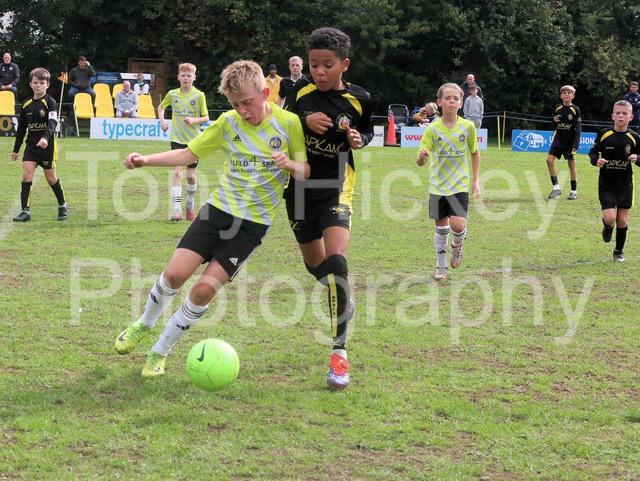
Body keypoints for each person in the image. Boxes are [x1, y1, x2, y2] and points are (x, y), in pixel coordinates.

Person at [114, 60, 308, 378]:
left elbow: (307, 170)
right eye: (234, 104)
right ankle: (144, 324)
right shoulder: (228, 123)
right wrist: (146, 159)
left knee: (203, 291)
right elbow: (189, 153)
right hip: (217, 211)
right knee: (174, 275)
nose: (241, 110)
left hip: (251, 226)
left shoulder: (289, 124)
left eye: (247, 102)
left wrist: (290, 165)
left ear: (265, 93)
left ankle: (159, 352)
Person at [284, 27, 375, 389]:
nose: (319, 72)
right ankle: (343, 293)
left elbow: (367, 131)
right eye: (314, 65)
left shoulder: (360, 99)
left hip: (337, 186)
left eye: (327, 65)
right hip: (299, 190)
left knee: (337, 262)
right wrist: (302, 121)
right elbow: (281, 126)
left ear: (344, 65)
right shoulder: (299, 92)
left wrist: (359, 138)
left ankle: (339, 353)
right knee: (316, 266)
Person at [416, 82, 481, 280]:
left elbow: (475, 153)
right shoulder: (432, 129)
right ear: (439, 102)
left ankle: (457, 247)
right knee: (441, 228)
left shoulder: (468, 127)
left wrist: (475, 181)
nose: (452, 101)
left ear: (461, 103)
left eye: (456, 98)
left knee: (458, 226)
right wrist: (422, 157)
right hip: (438, 185)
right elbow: (420, 161)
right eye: (447, 98)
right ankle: (441, 267)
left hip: (459, 184)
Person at [11, 68, 68, 222]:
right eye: (35, 82)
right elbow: (21, 129)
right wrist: (16, 149)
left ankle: (62, 205)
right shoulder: (26, 105)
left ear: (47, 85)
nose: (38, 85)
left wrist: (45, 138)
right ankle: (25, 211)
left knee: (51, 178)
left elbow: (52, 122)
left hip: (47, 147)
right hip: (31, 147)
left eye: (42, 83)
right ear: (30, 84)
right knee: (26, 175)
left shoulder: (50, 102)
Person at [589, 100, 640, 262]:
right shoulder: (604, 134)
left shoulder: (635, 137)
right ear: (613, 116)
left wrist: (637, 158)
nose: (621, 116)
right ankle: (607, 226)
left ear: (631, 117)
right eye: (618, 113)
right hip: (607, 184)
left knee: (622, 220)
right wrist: (596, 160)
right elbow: (593, 152)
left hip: (625, 184)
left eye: (625, 113)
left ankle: (618, 251)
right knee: (611, 218)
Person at [158, 63, 209, 221]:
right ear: (178, 77)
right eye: (183, 75)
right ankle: (176, 211)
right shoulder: (172, 94)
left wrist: (194, 120)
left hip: (194, 142)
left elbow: (206, 117)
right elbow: (161, 107)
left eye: (189, 75)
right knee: (177, 172)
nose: (186, 78)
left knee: (191, 177)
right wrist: (162, 121)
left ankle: (190, 205)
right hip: (177, 139)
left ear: (194, 77)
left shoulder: (199, 95)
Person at [546, 85, 581, 200]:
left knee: (571, 164)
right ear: (561, 96)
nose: (566, 94)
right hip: (558, 140)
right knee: (549, 160)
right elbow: (553, 126)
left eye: (569, 93)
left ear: (573, 96)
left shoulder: (575, 109)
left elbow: (578, 129)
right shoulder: (557, 108)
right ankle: (556, 188)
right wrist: (553, 120)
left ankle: (573, 192)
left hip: (569, 142)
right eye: (564, 93)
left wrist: (575, 144)